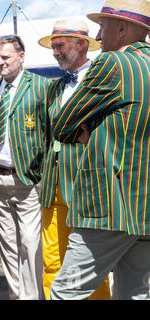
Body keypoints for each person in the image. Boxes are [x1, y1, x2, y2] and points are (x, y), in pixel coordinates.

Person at [51, 0, 150, 300]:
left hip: (109, 207)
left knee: (65, 292)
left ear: (122, 28)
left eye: (103, 26)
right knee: (135, 293)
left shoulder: (113, 64)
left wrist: (91, 134)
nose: (97, 34)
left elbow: (62, 124)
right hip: (144, 206)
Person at [37, 18, 111, 300]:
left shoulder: (102, 79)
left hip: (85, 185)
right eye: (53, 47)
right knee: (52, 258)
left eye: (60, 46)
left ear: (81, 44)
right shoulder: (54, 87)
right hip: (52, 186)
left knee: (89, 263)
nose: (55, 52)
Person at [0, 35, 50, 300]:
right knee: (7, 244)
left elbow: (51, 134)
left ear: (21, 56)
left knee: (30, 243)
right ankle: (15, 295)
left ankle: (31, 297)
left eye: (5, 57)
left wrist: (44, 172)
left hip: (27, 179)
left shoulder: (41, 87)